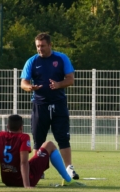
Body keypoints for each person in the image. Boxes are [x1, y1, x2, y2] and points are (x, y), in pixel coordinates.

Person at [20, 32, 79, 180]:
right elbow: (23, 82)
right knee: (38, 139)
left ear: (50, 45)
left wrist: (59, 84)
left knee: (63, 138)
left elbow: (71, 79)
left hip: (58, 104)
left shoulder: (61, 58)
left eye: (42, 46)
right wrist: (30, 88)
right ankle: (38, 169)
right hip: (39, 105)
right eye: (38, 46)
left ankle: (69, 168)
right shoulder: (32, 61)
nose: (40, 49)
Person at [0, 114, 84, 188]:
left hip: (7, 180)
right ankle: (68, 180)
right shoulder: (23, 137)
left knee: (44, 147)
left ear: (7, 126)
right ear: (21, 127)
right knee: (50, 145)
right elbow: (23, 163)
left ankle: (67, 179)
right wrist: (27, 185)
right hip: (22, 179)